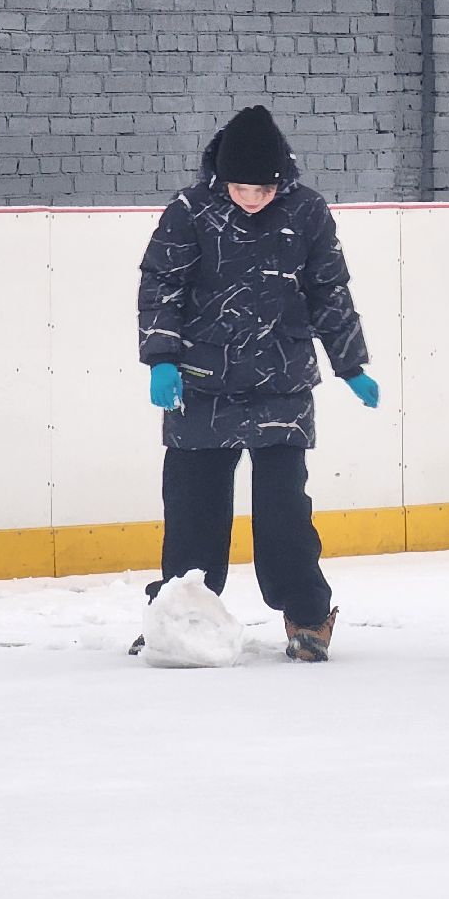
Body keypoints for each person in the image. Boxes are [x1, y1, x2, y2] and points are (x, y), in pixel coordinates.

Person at [131, 105, 380, 663]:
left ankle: (308, 618)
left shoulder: (308, 212)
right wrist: (161, 359)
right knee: (193, 513)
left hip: (281, 384)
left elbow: (329, 292)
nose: (252, 199)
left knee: (284, 513)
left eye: (263, 189)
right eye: (241, 188)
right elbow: (161, 287)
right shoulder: (191, 211)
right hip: (199, 385)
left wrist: (351, 366)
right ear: (223, 179)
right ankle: (177, 615)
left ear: (280, 180)